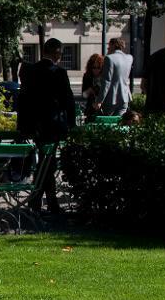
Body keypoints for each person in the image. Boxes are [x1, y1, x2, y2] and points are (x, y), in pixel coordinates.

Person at [17, 37, 75, 214]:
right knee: (47, 162)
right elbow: (68, 101)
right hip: (52, 124)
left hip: (33, 125)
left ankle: (43, 200)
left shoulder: (29, 71)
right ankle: (46, 200)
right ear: (57, 53)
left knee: (45, 162)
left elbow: (24, 99)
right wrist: (71, 125)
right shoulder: (58, 72)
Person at [95, 37, 134, 117]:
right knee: (119, 121)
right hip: (125, 96)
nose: (108, 48)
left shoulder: (109, 58)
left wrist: (99, 101)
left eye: (109, 46)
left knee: (108, 123)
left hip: (111, 97)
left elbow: (106, 81)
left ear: (113, 45)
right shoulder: (129, 58)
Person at [81, 53, 104, 121]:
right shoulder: (87, 76)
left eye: (98, 68)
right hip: (91, 107)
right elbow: (84, 95)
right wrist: (89, 90)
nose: (96, 70)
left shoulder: (104, 77)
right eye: (94, 67)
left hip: (103, 107)